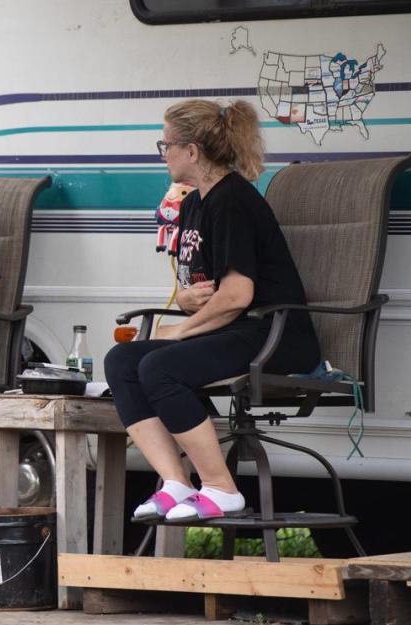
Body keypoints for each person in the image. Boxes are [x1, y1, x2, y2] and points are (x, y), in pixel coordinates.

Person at [103, 99, 320, 523]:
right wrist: (185, 303)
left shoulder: (232, 201)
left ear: (192, 151)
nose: (162, 154)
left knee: (160, 367)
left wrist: (180, 332)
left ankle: (221, 488)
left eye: (165, 145)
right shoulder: (192, 205)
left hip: (273, 334)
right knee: (123, 361)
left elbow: (238, 294)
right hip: (233, 330)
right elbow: (201, 288)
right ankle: (175, 482)